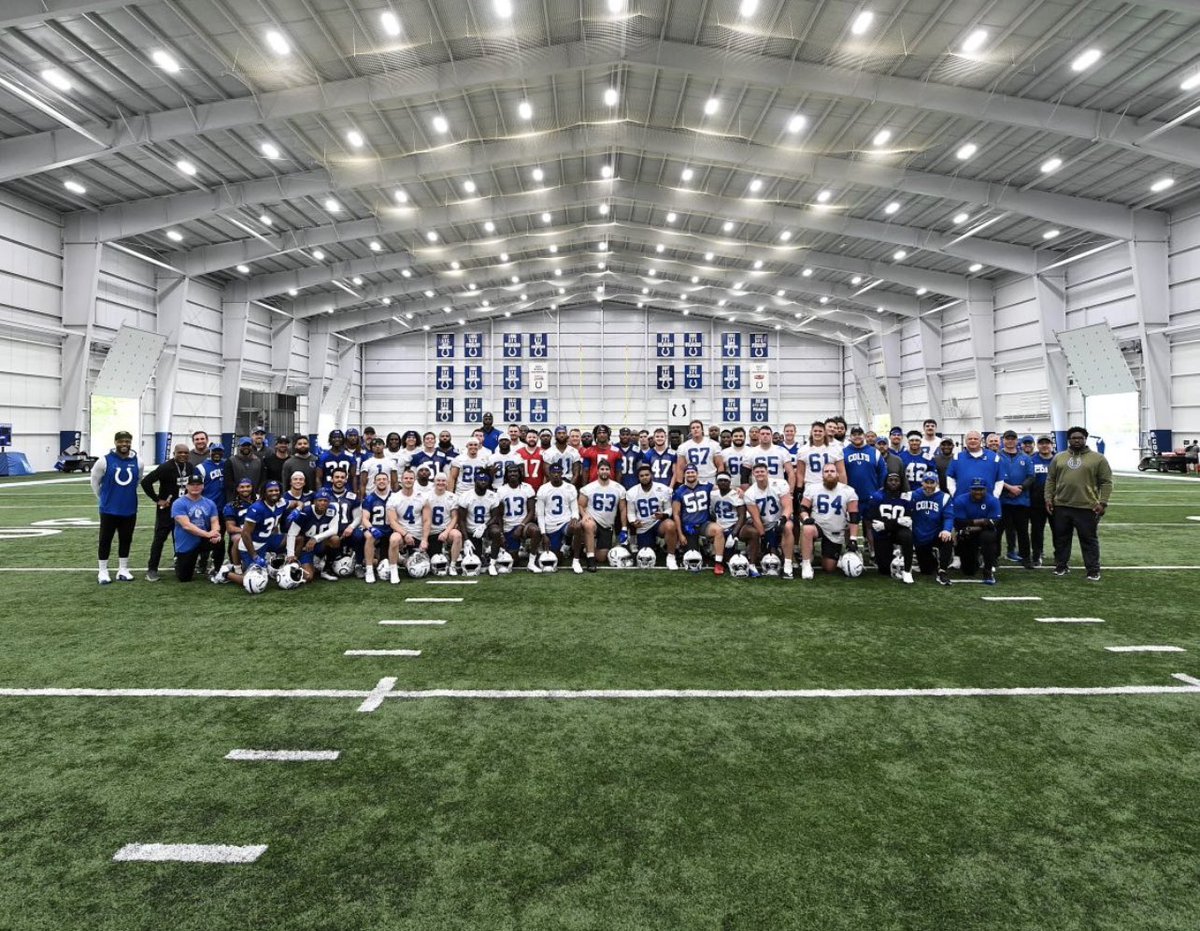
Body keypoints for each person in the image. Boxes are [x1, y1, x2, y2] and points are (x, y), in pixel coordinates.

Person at [1045, 426, 1113, 581]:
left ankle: (1093, 570)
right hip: (1061, 505)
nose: (1077, 440)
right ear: (1068, 440)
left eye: (1080, 438)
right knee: (1061, 538)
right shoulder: (1059, 457)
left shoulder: (1098, 458)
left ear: (1085, 439)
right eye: (1073, 438)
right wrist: (1048, 499)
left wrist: (1103, 503)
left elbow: (1106, 482)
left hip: (1087, 507)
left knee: (1089, 540)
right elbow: (1051, 480)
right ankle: (1061, 566)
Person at [90, 429, 140, 584]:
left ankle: (123, 569)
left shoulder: (138, 461)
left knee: (126, 539)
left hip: (129, 508)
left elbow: (137, 481)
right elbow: (95, 482)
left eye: (127, 441)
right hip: (109, 509)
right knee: (105, 539)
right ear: (115, 442)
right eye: (121, 441)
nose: (124, 444)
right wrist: (104, 498)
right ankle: (103, 571)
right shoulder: (104, 461)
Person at [139, 442, 192, 582]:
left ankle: (180, 566)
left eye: (186, 453)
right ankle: (152, 569)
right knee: (159, 539)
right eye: (180, 452)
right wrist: (157, 499)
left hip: (183, 510)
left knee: (181, 539)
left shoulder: (190, 467)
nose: (183, 455)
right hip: (166, 511)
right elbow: (146, 482)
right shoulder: (166, 467)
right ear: (174, 453)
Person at [798, 462, 860, 579]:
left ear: (837, 474)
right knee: (807, 528)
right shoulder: (813, 488)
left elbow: (854, 516)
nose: (829, 474)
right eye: (826, 472)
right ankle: (806, 563)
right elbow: (803, 508)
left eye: (832, 471)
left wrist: (853, 539)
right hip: (818, 525)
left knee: (829, 568)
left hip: (835, 530)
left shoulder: (848, 491)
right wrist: (806, 518)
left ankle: (835, 558)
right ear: (822, 475)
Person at [225, 481, 287, 588]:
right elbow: (240, 531)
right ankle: (226, 573)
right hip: (250, 540)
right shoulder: (237, 506)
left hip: (264, 538)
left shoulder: (276, 502)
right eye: (270, 490)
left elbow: (294, 504)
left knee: (293, 537)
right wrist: (254, 556)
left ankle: (279, 561)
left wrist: (298, 509)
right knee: (255, 582)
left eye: (248, 486)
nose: (245, 489)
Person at [741, 463, 794, 577]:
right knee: (770, 553)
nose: (760, 474)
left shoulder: (780, 484)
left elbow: (788, 506)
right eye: (757, 472)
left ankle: (788, 565)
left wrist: (783, 519)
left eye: (762, 471)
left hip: (780, 519)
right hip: (765, 524)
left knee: (788, 527)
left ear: (767, 472)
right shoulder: (750, 493)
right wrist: (763, 536)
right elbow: (755, 517)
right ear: (753, 475)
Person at [672, 464, 725, 575]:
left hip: (704, 524)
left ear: (697, 474)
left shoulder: (707, 486)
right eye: (688, 472)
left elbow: (724, 488)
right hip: (688, 526)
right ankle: (702, 547)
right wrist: (680, 534)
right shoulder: (679, 491)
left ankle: (718, 563)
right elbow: (676, 514)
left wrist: (738, 490)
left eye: (693, 472)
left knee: (718, 530)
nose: (690, 474)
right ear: (684, 475)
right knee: (693, 558)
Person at [864, 472, 915, 584]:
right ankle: (894, 555)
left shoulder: (906, 497)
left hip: (898, 531)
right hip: (883, 533)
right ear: (885, 482)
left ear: (901, 482)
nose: (893, 482)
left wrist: (887, 524)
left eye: (896, 480)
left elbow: (907, 521)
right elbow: (875, 523)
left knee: (907, 535)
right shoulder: (877, 497)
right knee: (884, 570)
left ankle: (907, 570)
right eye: (890, 480)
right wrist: (897, 522)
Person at [625, 463, 680, 569]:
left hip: (658, 523)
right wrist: (633, 522)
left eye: (647, 475)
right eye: (642, 476)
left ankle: (671, 557)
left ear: (651, 475)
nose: (645, 477)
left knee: (670, 525)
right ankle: (656, 544)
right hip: (643, 526)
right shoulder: (632, 492)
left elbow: (669, 508)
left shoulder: (662, 489)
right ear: (638, 478)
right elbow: (631, 513)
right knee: (646, 554)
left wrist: (664, 515)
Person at [171, 471, 222, 582]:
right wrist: (208, 534)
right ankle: (179, 560)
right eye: (192, 484)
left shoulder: (210, 503)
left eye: (198, 484)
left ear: (203, 486)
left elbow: (215, 521)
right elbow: (186, 526)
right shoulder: (178, 503)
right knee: (184, 578)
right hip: (187, 541)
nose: (195, 487)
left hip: (203, 539)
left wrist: (215, 533)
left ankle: (218, 569)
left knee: (219, 542)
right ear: (187, 486)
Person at [578, 459, 627, 572]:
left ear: (610, 471)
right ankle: (590, 560)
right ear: (597, 471)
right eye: (602, 469)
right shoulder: (589, 488)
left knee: (602, 557)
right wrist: (584, 515)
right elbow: (580, 505)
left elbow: (623, 509)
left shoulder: (619, 488)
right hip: (593, 521)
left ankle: (586, 548)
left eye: (607, 469)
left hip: (606, 525)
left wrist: (624, 528)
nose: (604, 471)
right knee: (589, 525)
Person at [907, 471, 954, 586]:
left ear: (936, 483)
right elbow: (906, 511)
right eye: (926, 482)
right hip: (919, 536)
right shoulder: (913, 495)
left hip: (936, 534)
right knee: (926, 570)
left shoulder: (944, 497)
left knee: (948, 539)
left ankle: (943, 570)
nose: (929, 485)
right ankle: (932, 558)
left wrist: (946, 530)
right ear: (922, 483)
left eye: (931, 482)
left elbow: (949, 516)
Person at [998, 429, 1035, 569]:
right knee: (999, 531)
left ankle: (1026, 557)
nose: (1010, 441)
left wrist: (1020, 488)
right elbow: (995, 475)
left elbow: (1031, 477)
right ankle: (995, 557)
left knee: (1023, 531)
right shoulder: (997, 456)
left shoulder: (1025, 458)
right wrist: (1009, 488)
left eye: (1013, 438)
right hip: (1003, 500)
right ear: (1003, 440)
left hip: (1021, 501)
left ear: (1016, 440)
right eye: (1007, 438)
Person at [953, 477, 1002, 584]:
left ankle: (988, 570)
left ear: (985, 489)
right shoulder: (960, 500)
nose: (978, 492)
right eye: (975, 489)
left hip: (983, 532)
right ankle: (976, 558)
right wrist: (983, 521)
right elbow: (959, 522)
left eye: (980, 489)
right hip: (967, 533)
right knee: (968, 571)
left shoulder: (993, 501)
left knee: (989, 536)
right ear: (970, 489)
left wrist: (973, 526)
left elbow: (994, 522)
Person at [285, 489, 340, 582]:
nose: (322, 503)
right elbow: (291, 534)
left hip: (319, 543)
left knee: (335, 539)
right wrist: (290, 554)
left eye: (325, 500)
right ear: (314, 501)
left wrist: (315, 538)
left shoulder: (332, 510)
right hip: (306, 547)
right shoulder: (305, 512)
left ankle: (327, 569)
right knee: (308, 577)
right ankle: (312, 562)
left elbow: (334, 530)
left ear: (329, 502)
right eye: (320, 500)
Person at [534, 462, 579, 571]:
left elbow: (575, 509)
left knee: (577, 527)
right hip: (551, 525)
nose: (556, 475)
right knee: (557, 558)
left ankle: (576, 560)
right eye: (553, 472)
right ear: (549, 474)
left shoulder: (570, 487)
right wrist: (543, 534)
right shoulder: (543, 489)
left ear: (562, 473)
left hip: (565, 522)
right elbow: (540, 514)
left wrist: (574, 518)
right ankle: (562, 547)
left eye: (558, 472)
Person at [496, 464, 541, 572]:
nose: (513, 474)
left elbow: (531, 511)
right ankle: (519, 549)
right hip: (508, 526)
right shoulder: (501, 490)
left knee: (535, 530)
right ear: (506, 475)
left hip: (523, 524)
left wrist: (521, 526)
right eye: (510, 472)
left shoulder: (527, 488)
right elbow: (499, 515)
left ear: (520, 473)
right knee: (514, 561)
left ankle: (531, 562)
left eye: (515, 471)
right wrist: (501, 533)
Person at [458, 473, 503, 574]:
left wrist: (484, 526)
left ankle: (492, 564)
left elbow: (495, 516)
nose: (483, 482)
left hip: (485, 528)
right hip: (470, 530)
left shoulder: (492, 496)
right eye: (480, 480)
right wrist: (466, 539)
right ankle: (480, 554)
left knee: (496, 531)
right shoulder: (466, 496)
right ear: (475, 481)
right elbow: (461, 520)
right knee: (475, 560)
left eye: (485, 480)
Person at [360, 471, 396, 584]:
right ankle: (369, 570)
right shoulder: (369, 498)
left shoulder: (395, 497)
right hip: (375, 529)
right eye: (379, 479)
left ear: (388, 481)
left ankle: (397, 565)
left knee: (397, 538)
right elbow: (364, 518)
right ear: (374, 482)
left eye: (384, 479)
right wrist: (372, 528)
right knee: (370, 536)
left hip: (390, 529)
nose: (381, 481)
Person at [946, 430, 1003, 497]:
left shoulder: (994, 458)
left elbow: (999, 480)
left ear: (981, 441)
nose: (973, 440)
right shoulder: (957, 457)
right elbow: (950, 478)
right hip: (962, 501)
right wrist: (955, 494)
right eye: (970, 439)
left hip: (987, 501)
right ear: (965, 441)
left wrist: (995, 496)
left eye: (976, 439)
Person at [1028, 436, 1055, 566]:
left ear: (1052, 445)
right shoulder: (1031, 460)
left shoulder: (1058, 460)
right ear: (1037, 445)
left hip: (1056, 501)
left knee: (1059, 530)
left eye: (1047, 443)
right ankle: (1037, 555)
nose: (1044, 446)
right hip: (1036, 501)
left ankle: (1060, 555)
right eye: (1041, 443)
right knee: (1037, 530)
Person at [675, 419, 724, 486]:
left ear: (702, 429)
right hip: (691, 479)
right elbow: (680, 468)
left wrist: (720, 481)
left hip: (710, 478)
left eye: (698, 427)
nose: (695, 429)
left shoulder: (714, 444)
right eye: (693, 428)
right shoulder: (683, 446)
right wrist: (679, 484)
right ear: (690, 431)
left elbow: (720, 465)